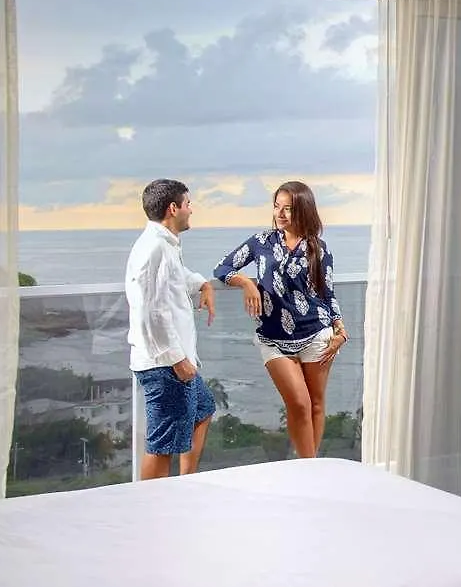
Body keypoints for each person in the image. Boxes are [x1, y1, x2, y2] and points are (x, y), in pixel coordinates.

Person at [214, 181, 347, 459]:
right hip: (273, 338)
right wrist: (247, 283)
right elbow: (223, 267)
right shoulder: (261, 242)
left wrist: (340, 329)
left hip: (317, 335)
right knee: (299, 404)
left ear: (304, 210)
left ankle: (308, 467)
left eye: (289, 208)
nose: (281, 214)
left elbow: (328, 294)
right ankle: (309, 468)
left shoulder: (319, 249)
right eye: (277, 207)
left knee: (316, 404)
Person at [126, 178, 217, 480]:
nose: (191, 210)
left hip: (172, 361)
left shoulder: (164, 245)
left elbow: (175, 279)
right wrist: (177, 359)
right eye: (188, 204)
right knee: (161, 444)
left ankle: (185, 483)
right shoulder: (155, 249)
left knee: (203, 408)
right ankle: (152, 503)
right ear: (173, 208)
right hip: (165, 364)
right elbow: (151, 311)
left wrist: (202, 284)